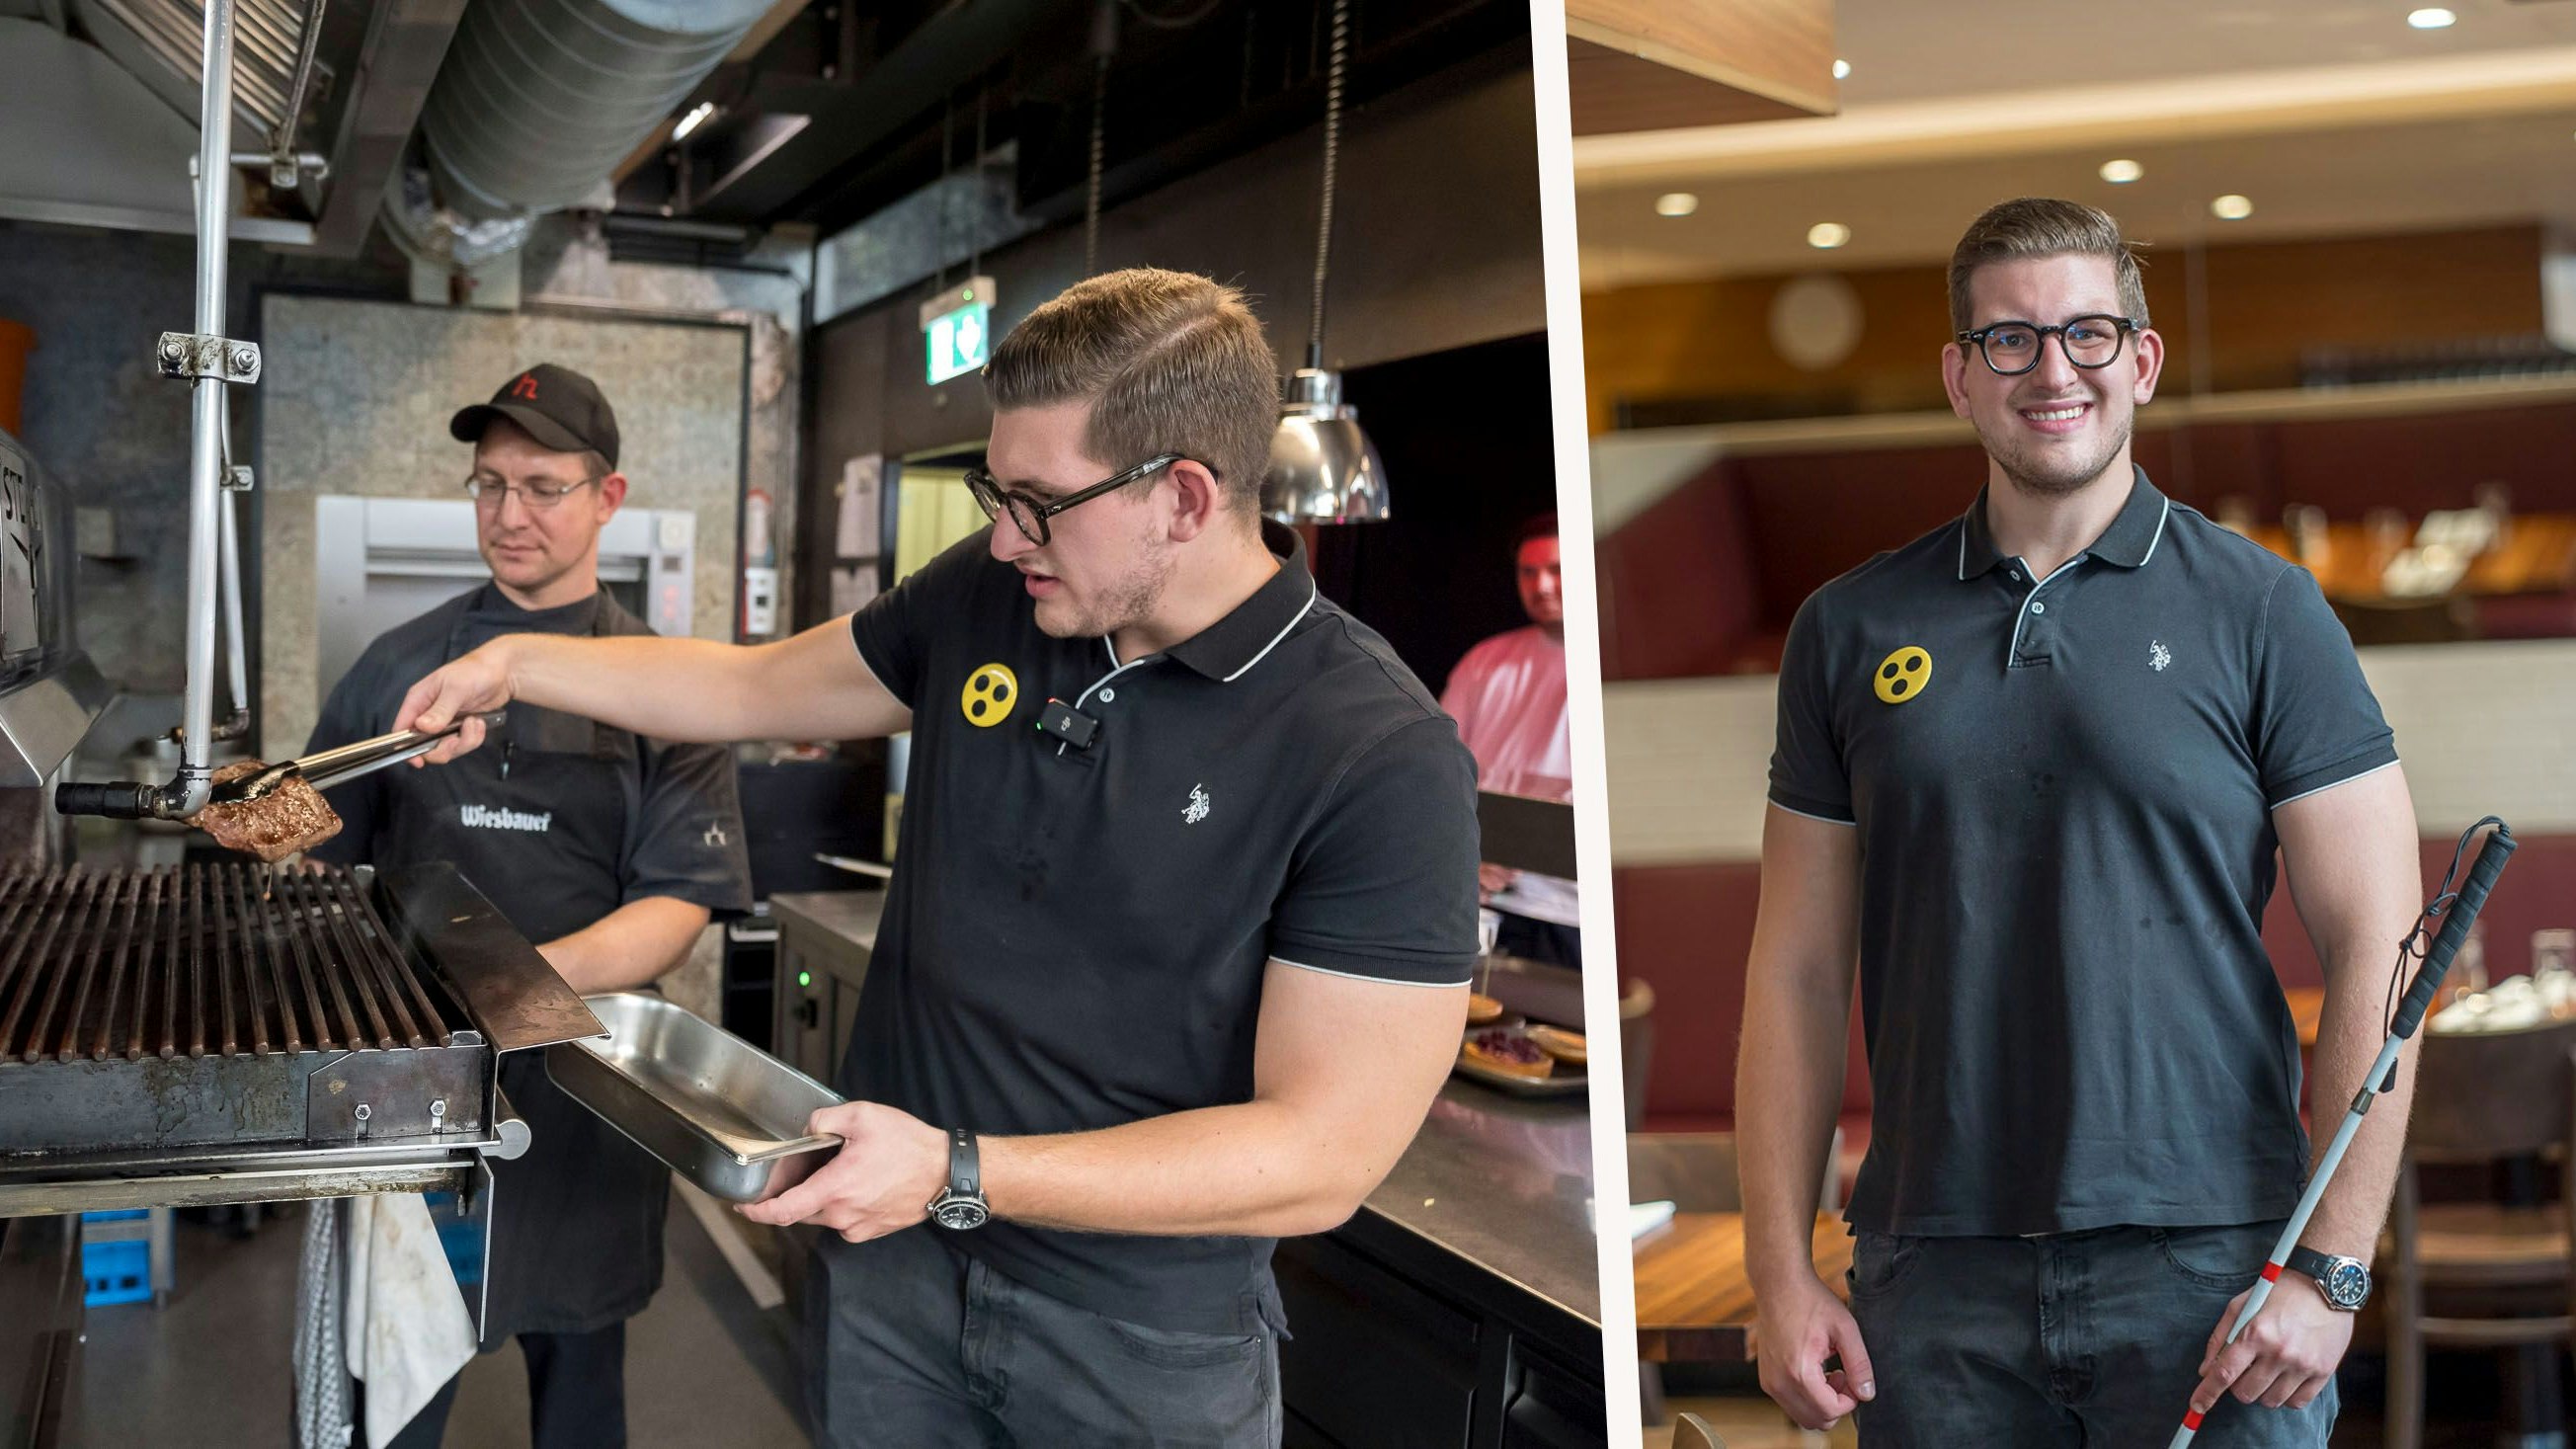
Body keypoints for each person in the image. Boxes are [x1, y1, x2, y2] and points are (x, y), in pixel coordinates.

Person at [386, 270, 1482, 1447]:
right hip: (894, 1279)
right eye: (994, 492)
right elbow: (752, 686)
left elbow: (1320, 1154)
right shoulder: (994, 595)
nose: (1003, 537)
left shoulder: (1374, 752)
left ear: (1183, 497)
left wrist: (961, 1171)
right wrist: (518, 665)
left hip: (1136, 1340)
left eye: (1038, 503)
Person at [1735, 198, 2424, 1445]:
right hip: (1932, 1279)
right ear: (1959, 377)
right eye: (2009, 340)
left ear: (2140, 360)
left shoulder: (2264, 611)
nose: (2052, 371)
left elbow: (2382, 947)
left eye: (2087, 334)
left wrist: (2329, 1268)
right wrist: (1777, 1272)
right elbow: (1794, 971)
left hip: (2216, 1266)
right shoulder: (1847, 630)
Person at [305, 362, 753, 1447]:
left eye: (543, 487)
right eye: (491, 484)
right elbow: (323, 861)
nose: (511, 515)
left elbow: (678, 906)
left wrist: (509, 981)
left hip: (584, 1090)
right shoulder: (398, 667)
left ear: (608, 497)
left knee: (581, 1383)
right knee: (395, 1381)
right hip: (416, 1085)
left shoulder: (662, 686)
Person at [1441, 513, 1579, 968]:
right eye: (1528, 572)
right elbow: (1437, 772)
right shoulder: (1485, 660)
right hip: (1478, 900)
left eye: (1556, 569)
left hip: (1570, 915)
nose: (1542, 585)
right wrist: (1463, 855)